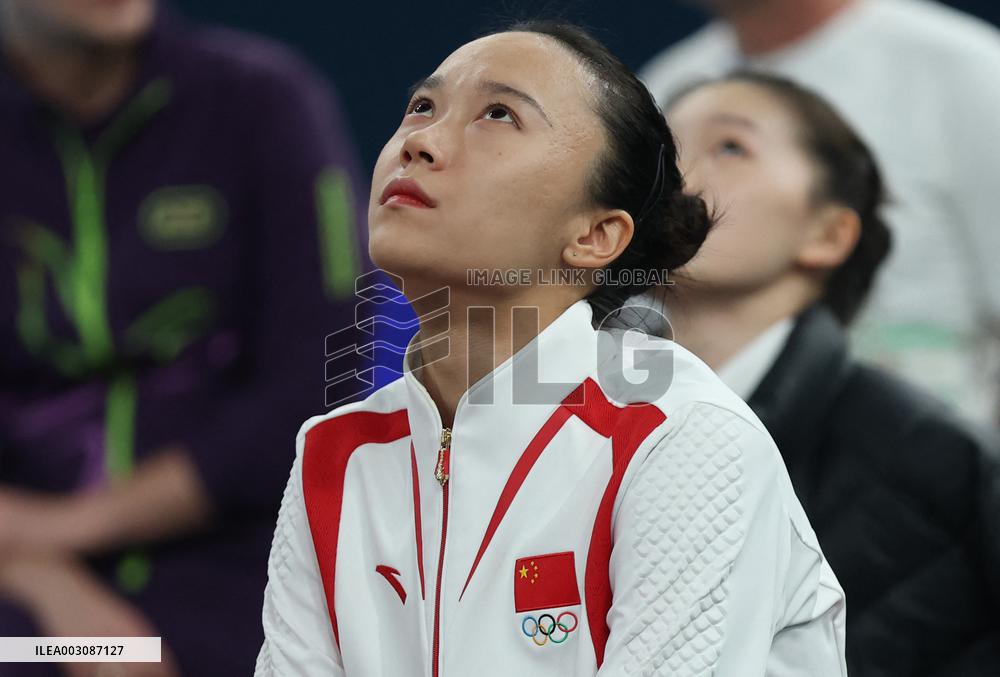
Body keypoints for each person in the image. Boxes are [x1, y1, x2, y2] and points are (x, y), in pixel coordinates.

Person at [254, 21, 848, 677]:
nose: (419, 142)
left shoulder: (684, 436)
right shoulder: (335, 454)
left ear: (596, 235)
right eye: (422, 106)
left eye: (498, 114)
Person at [0, 0, 370, 674]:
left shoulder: (265, 101)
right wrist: (43, 574)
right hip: (23, 594)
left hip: (247, 574)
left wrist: (65, 529)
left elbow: (320, 385)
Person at [661, 71, 1000, 676]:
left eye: (730, 146)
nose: (669, 175)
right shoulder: (565, 417)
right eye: (659, 147)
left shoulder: (933, 464)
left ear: (827, 233)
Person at [640, 0, 1000, 426]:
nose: (686, 175)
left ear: (832, 235)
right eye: (675, 151)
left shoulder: (970, 72)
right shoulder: (664, 81)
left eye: (731, 148)